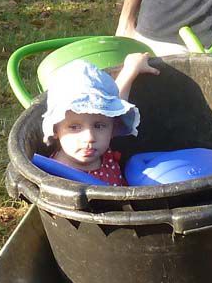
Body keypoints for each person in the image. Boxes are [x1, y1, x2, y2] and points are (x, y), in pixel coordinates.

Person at [41, 54, 158, 185]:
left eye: (99, 126)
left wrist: (131, 68)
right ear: (55, 129)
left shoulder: (100, 151)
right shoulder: (58, 176)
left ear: (113, 127)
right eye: (74, 127)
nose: (89, 137)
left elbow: (118, 103)